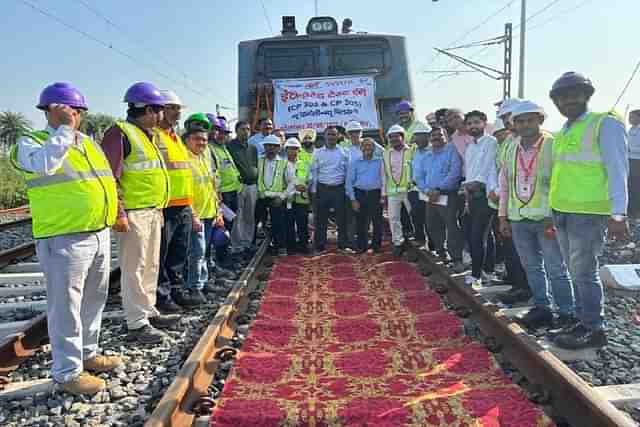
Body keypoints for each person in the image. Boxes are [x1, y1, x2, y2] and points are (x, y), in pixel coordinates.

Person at [10, 82, 122, 395]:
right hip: (63, 237)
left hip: (98, 232)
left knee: (93, 300)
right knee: (65, 307)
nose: (75, 116)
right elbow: (46, 165)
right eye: (68, 110)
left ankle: (88, 352)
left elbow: (104, 182)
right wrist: (62, 130)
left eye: (78, 111)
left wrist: (116, 213)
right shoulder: (29, 143)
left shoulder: (88, 143)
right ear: (49, 111)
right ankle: (67, 371)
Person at [548, 72, 629, 349]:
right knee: (574, 271)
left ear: (586, 95)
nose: (568, 101)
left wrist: (618, 214)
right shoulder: (565, 132)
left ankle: (594, 329)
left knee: (584, 272)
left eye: (574, 94)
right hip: (562, 211)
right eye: (562, 97)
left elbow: (618, 170)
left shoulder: (604, 124)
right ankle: (583, 320)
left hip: (588, 214)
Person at [102, 82, 177, 344]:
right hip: (133, 213)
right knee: (133, 268)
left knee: (150, 265)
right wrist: (119, 213)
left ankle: (148, 310)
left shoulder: (147, 135)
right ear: (144, 109)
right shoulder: (120, 134)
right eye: (158, 110)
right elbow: (109, 178)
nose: (161, 116)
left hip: (152, 211)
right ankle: (136, 322)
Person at [498, 100, 575, 329]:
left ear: (540, 120)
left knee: (556, 268)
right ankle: (542, 308)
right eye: (519, 121)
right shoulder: (511, 146)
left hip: (546, 218)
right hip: (518, 218)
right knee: (531, 267)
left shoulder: (553, 144)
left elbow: (563, 183)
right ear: (514, 125)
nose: (524, 125)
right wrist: (503, 217)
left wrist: (555, 215)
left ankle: (566, 313)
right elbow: (504, 184)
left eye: (530, 120)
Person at [154, 90, 200, 308]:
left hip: (182, 205)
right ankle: (162, 296)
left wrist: (190, 207)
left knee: (178, 253)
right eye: (171, 108)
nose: (176, 113)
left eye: (178, 109)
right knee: (161, 255)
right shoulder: (154, 135)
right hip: (165, 206)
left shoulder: (175, 138)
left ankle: (176, 290)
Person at [413, 126, 465, 273]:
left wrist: (439, 189)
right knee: (432, 225)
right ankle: (442, 254)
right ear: (430, 138)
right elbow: (419, 176)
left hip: (447, 195)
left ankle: (457, 259)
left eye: (439, 135)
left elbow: (454, 172)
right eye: (433, 135)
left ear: (445, 137)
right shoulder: (427, 156)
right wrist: (427, 190)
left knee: (452, 227)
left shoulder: (452, 152)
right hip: (430, 197)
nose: (436, 137)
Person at [183, 114, 223, 296]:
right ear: (187, 140)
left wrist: (217, 211)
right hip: (195, 214)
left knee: (205, 251)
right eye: (197, 139)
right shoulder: (185, 159)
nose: (201, 143)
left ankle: (203, 281)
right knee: (197, 252)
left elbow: (213, 186)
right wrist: (193, 215)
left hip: (208, 212)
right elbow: (185, 192)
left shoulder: (204, 158)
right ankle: (194, 287)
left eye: (204, 140)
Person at [462, 110, 498, 286]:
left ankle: (476, 275)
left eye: (476, 122)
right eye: (469, 124)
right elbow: (470, 172)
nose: (473, 126)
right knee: (484, 236)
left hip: (486, 195)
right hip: (472, 196)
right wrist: (468, 195)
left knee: (477, 236)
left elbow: (489, 167)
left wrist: (479, 184)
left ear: (484, 123)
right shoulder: (470, 147)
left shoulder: (491, 142)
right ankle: (487, 271)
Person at [210, 117, 243, 269]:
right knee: (220, 229)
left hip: (232, 192)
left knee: (228, 226)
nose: (223, 136)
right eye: (220, 132)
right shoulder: (211, 149)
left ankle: (224, 256)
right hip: (222, 194)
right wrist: (218, 195)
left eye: (225, 133)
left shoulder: (223, 148)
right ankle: (221, 260)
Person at [310, 126, 349, 253]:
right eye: (329, 134)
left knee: (342, 218)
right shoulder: (318, 153)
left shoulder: (344, 152)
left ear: (338, 137)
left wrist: (347, 190)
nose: (331, 137)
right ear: (324, 136)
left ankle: (343, 245)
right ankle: (320, 245)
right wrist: (314, 190)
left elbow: (347, 172)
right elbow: (315, 172)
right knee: (320, 219)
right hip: (322, 189)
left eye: (334, 134)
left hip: (339, 189)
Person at [346, 138, 384, 253]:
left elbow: (384, 179)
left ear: (374, 148)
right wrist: (353, 199)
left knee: (377, 221)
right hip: (359, 194)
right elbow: (349, 182)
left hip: (375, 194)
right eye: (365, 145)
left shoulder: (380, 162)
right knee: (360, 222)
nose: (367, 148)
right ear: (361, 148)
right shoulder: (355, 163)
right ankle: (361, 246)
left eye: (370, 145)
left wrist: (383, 195)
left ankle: (376, 246)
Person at [227, 120, 259, 261]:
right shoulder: (230, 147)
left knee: (249, 216)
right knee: (238, 216)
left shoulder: (252, 148)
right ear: (236, 130)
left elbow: (255, 165)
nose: (246, 131)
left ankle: (247, 243)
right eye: (243, 129)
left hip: (252, 186)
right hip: (239, 187)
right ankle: (237, 246)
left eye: (248, 129)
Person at [383, 125, 413, 257]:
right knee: (394, 218)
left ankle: (420, 240)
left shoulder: (412, 150)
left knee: (415, 216)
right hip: (392, 192)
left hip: (409, 190)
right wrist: (383, 193)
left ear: (403, 137)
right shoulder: (386, 153)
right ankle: (398, 242)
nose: (394, 139)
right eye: (391, 137)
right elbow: (383, 174)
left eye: (397, 136)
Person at [258, 135, 290, 255]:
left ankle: (281, 247)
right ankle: (262, 246)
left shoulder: (284, 163)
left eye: (274, 146)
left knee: (279, 223)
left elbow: (292, 183)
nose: (271, 148)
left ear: (279, 148)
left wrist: (282, 197)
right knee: (260, 223)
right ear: (264, 147)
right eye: (268, 146)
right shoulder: (259, 160)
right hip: (261, 198)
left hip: (276, 198)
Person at [284, 138, 311, 253]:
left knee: (302, 222)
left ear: (299, 150)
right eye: (291, 148)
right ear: (286, 150)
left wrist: (306, 186)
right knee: (288, 223)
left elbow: (310, 178)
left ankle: (303, 245)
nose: (293, 151)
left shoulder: (304, 164)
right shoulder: (281, 164)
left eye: (295, 149)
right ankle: (291, 246)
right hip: (288, 198)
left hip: (302, 198)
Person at [407, 123, 432, 248]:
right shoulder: (414, 151)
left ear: (428, 136)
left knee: (430, 218)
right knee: (416, 214)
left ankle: (434, 244)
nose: (418, 139)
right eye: (416, 136)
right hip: (415, 188)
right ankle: (420, 238)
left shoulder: (433, 151)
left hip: (429, 189)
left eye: (421, 136)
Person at [627, 109, 640, 218]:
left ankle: (634, 212)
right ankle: (629, 209)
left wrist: (630, 149)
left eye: (632, 116)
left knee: (635, 187)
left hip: (637, 162)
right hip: (629, 160)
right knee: (629, 186)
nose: (629, 119)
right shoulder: (630, 130)